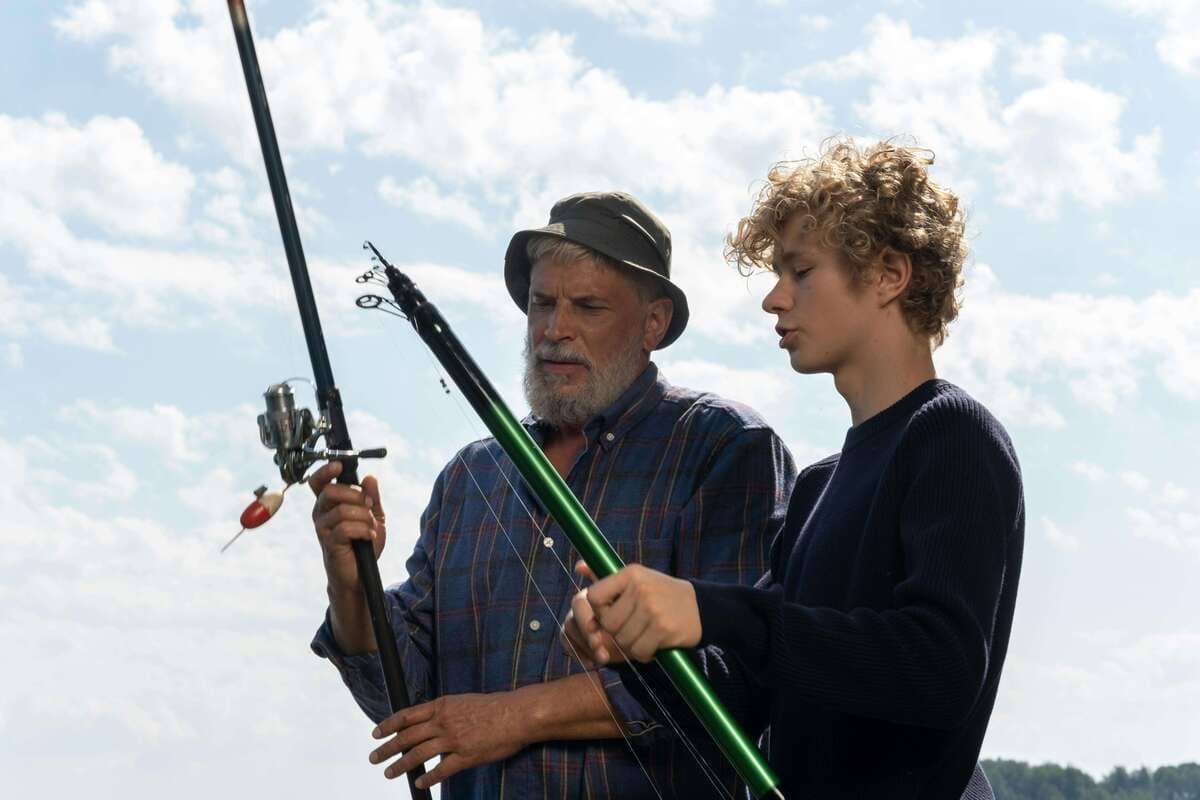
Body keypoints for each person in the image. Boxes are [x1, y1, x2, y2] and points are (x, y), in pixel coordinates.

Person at [565, 141, 1025, 799]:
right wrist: (641, 647)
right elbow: (751, 698)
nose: (774, 299)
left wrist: (709, 609)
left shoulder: (952, 437)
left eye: (800, 271)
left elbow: (939, 671)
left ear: (890, 274)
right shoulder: (817, 487)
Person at [308, 191, 797, 798]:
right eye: (542, 304)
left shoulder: (724, 447)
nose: (555, 330)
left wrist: (511, 717)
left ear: (654, 323)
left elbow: (735, 679)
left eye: (588, 306)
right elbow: (404, 700)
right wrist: (349, 580)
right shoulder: (467, 478)